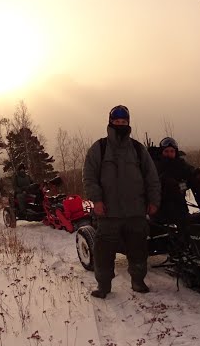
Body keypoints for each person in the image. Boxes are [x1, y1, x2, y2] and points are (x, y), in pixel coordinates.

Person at [82, 105, 161, 299]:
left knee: (138, 247)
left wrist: (153, 201)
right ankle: (103, 285)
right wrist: (97, 201)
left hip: (136, 211)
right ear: (110, 123)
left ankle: (138, 280)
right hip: (108, 213)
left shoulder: (137, 148)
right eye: (117, 122)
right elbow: (89, 177)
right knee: (104, 251)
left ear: (128, 123)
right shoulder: (99, 148)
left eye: (123, 122)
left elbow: (151, 177)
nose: (120, 125)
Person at [152, 137, 200, 248]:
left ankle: (190, 246)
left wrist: (197, 175)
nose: (169, 154)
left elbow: (188, 171)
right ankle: (182, 248)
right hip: (160, 207)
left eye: (172, 151)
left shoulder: (180, 164)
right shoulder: (155, 165)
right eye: (166, 151)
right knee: (183, 223)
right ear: (162, 152)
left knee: (191, 223)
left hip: (179, 205)